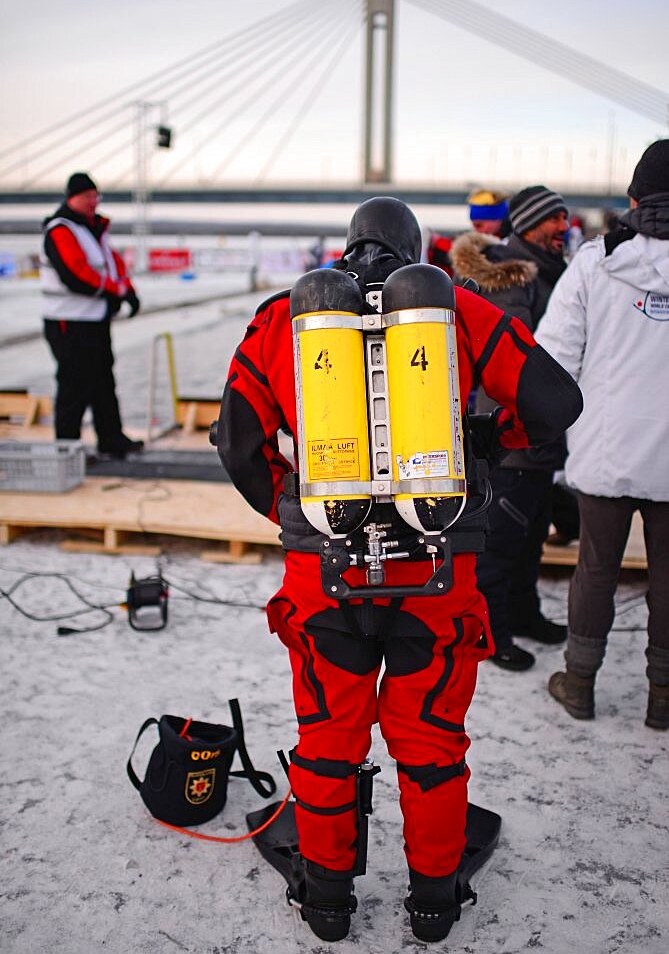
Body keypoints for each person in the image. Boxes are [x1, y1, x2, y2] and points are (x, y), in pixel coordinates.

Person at [216, 197, 582, 943]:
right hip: (438, 570)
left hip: (324, 575)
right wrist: (488, 441)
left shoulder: (281, 320)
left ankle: (325, 901)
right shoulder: (457, 313)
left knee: (327, 737)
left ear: (347, 249)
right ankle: (433, 902)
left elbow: (236, 441)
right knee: (429, 740)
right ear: (418, 252)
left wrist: (293, 515)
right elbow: (557, 402)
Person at [535, 140, 669, 730]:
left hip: (606, 448)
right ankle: (662, 696)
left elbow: (554, 356)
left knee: (596, 568)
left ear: (634, 197)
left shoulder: (594, 260)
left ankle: (580, 682)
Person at [450, 185, 575, 671]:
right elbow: (513, 367)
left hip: (538, 438)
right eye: (554, 219)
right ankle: (492, 633)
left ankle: (525, 615)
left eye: (565, 218)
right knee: (500, 545)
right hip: (511, 440)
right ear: (527, 224)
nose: (563, 227)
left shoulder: (547, 271)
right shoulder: (509, 278)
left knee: (529, 539)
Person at [41, 172, 143, 458]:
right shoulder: (61, 230)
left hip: (93, 320)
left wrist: (128, 290)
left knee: (102, 382)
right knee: (74, 386)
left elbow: (112, 265)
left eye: (96, 196)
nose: (94, 202)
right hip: (68, 321)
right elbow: (76, 274)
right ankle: (68, 449)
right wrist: (116, 292)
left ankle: (111, 440)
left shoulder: (91, 231)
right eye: (88, 196)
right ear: (73, 197)